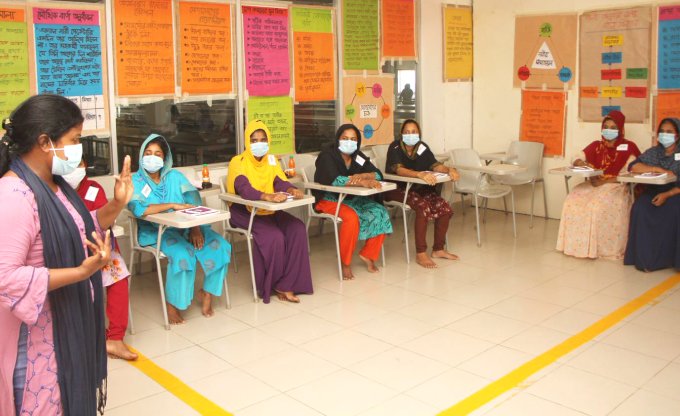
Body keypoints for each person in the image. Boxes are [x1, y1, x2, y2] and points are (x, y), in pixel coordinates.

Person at [0, 94, 133, 415]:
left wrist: (116, 204)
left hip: (64, 330)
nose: (79, 149)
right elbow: (5, 278)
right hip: (34, 344)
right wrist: (81, 272)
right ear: (45, 141)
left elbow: (82, 228)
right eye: (74, 140)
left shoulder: (55, 185)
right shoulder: (14, 195)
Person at [128, 134, 231, 324]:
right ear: (141, 156)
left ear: (165, 158)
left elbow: (193, 203)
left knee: (221, 245)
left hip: (186, 226)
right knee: (184, 253)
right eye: (148, 153)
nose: (152, 157)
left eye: (157, 153)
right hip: (156, 232)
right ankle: (173, 305)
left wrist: (195, 229)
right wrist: (173, 205)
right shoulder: (135, 181)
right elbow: (137, 208)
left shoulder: (175, 177)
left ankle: (206, 293)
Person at [226, 120, 313, 303]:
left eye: (263, 139)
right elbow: (243, 188)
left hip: (268, 210)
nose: (259, 144)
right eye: (254, 140)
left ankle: (286, 283)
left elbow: (279, 181)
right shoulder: (238, 161)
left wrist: (290, 190)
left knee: (297, 228)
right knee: (274, 236)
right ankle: (268, 285)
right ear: (247, 142)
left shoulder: (271, 160)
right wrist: (266, 196)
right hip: (244, 211)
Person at [63, 161, 137, 360]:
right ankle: (83, 335)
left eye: (77, 164)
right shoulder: (53, 190)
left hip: (97, 249)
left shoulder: (94, 189)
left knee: (118, 276)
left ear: (85, 165)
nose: (73, 169)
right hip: (68, 251)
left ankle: (114, 337)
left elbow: (105, 223)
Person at [556, 110, 641, 259]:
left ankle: (599, 249)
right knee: (572, 201)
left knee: (595, 206)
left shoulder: (629, 147)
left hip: (616, 185)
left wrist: (605, 181)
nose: (608, 130)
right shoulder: (596, 145)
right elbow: (575, 157)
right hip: (594, 183)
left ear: (620, 129)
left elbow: (629, 174)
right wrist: (581, 163)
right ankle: (575, 246)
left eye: (613, 127)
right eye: (606, 127)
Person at [314, 124, 393, 280]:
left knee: (379, 211)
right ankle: (345, 263)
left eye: (353, 139)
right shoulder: (327, 156)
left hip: (352, 198)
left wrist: (366, 176)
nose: (349, 142)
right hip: (329, 199)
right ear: (338, 139)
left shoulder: (357, 156)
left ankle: (368, 254)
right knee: (351, 218)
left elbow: (377, 174)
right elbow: (335, 180)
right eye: (345, 138)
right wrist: (359, 182)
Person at [384, 119, 460, 268]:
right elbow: (399, 170)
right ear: (401, 134)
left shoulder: (422, 147)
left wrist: (450, 170)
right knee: (422, 208)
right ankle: (420, 253)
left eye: (414, 132)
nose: (410, 135)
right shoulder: (395, 147)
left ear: (419, 133)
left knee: (445, 208)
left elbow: (435, 165)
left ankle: (438, 249)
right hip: (396, 189)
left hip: (417, 189)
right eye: (407, 132)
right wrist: (419, 174)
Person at [624, 118, 680, 271]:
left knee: (674, 211)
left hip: (675, 192)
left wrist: (667, 195)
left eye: (669, 132)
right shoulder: (654, 152)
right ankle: (644, 259)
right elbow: (634, 166)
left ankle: (669, 259)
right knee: (639, 207)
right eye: (662, 131)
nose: (664, 135)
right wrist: (657, 169)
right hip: (654, 190)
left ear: (677, 135)